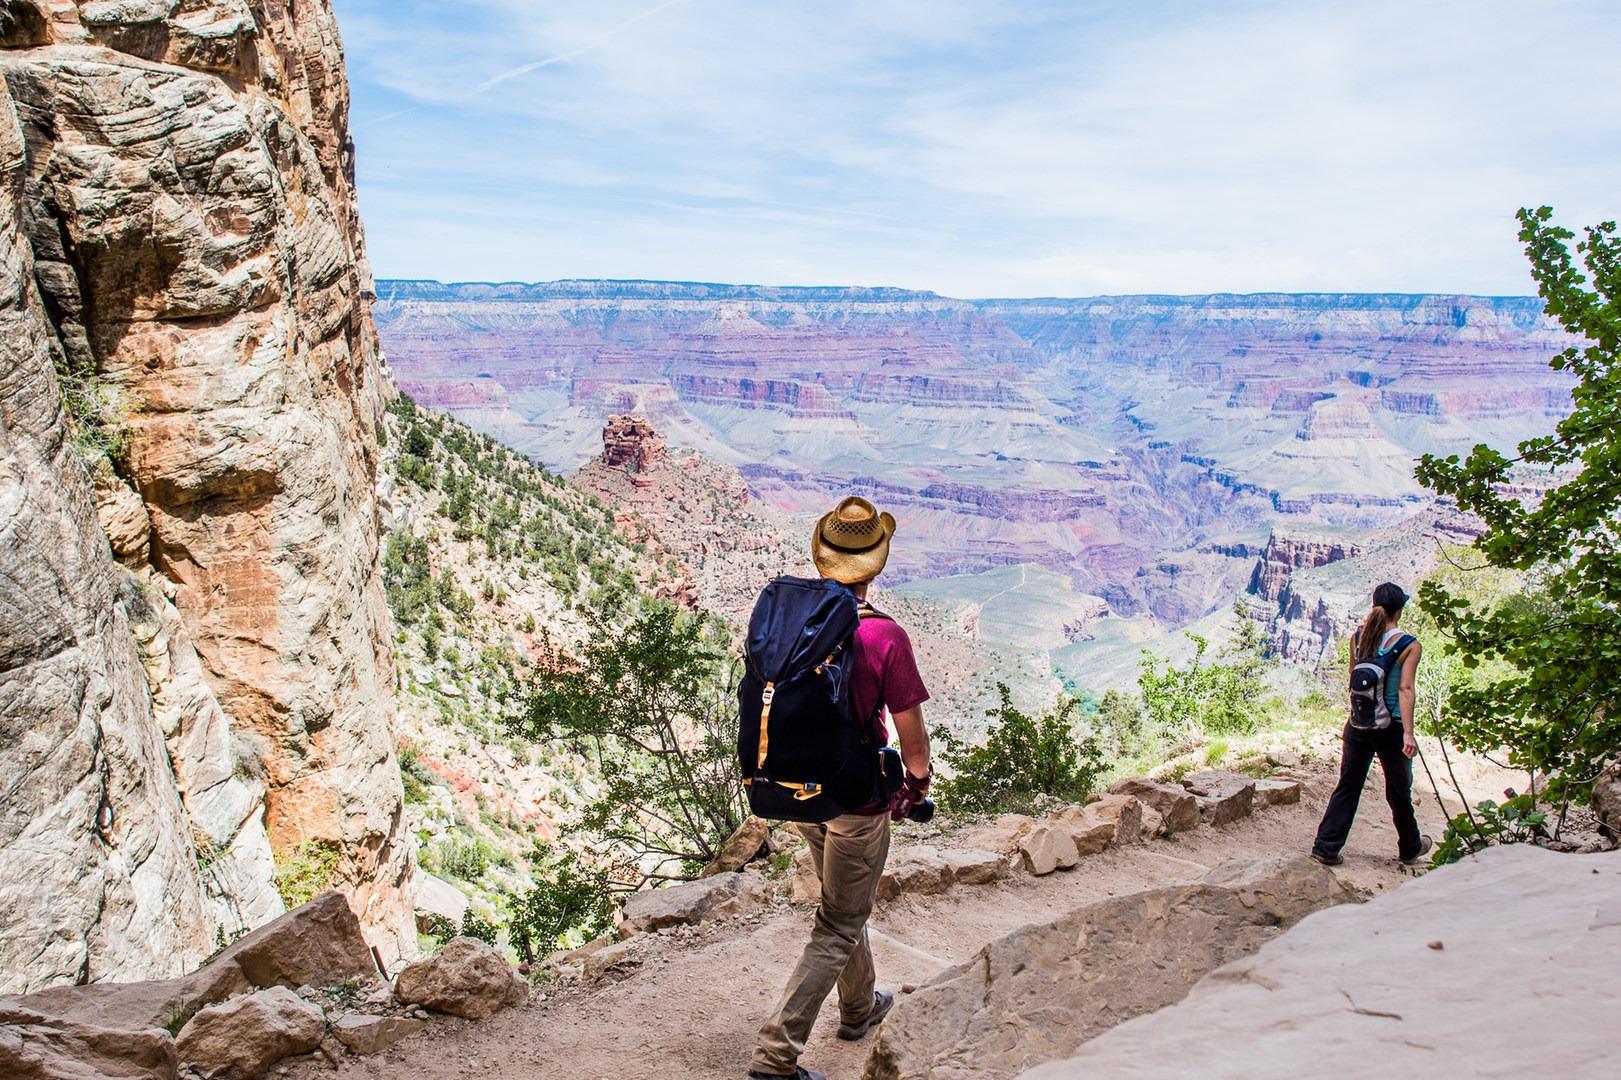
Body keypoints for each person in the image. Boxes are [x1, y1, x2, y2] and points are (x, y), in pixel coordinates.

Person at [748, 496, 932, 1080]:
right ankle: (776, 1057)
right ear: (876, 564)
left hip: (797, 789)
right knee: (837, 924)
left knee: (842, 909)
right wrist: (916, 787)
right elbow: (913, 740)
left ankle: (859, 1008)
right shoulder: (885, 637)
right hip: (856, 799)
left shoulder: (789, 621)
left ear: (821, 556)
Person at [1311, 582, 1433, 867]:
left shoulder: (1359, 636)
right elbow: (1405, 689)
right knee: (1399, 789)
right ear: (1400, 610)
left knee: (1348, 785)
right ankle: (1410, 847)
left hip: (1358, 724)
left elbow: (1354, 676)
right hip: (1389, 727)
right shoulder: (1409, 645)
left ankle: (1326, 847)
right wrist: (1409, 733)